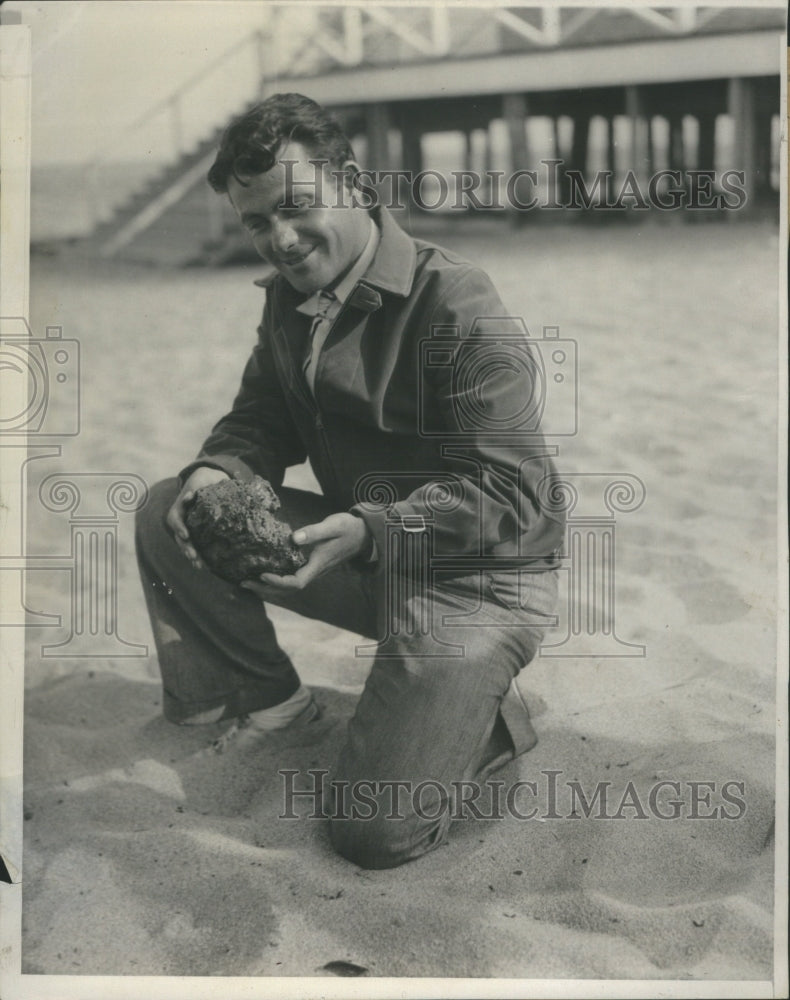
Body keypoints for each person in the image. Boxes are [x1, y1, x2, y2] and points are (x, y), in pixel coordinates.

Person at [135, 92, 566, 869]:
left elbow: (518, 494)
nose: (283, 239)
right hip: (360, 553)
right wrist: (217, 468)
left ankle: (490, 721)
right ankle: (268, 699)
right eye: (258, 221)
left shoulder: (457, 302)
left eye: (299, 206)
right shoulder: (289, 303)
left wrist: (372, 528)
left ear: (355, 185)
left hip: (478, 582)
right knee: (172, 506)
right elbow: (260, 418)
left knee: (372, 835)